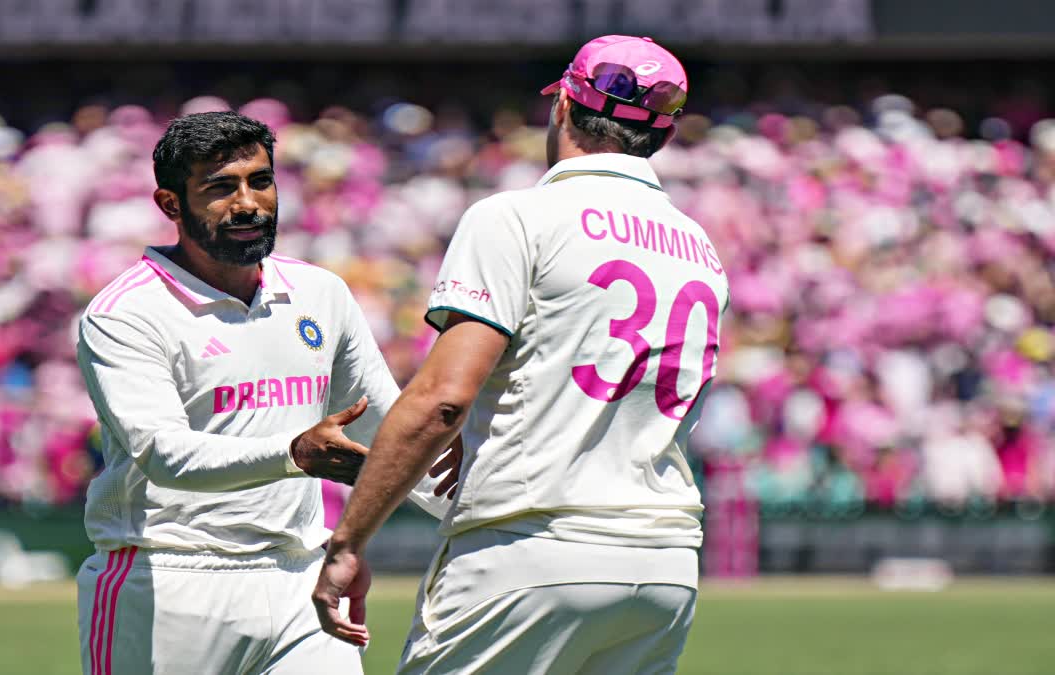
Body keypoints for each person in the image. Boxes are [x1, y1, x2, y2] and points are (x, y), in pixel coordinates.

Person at [314, 35, 729, 674]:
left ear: (563, 105)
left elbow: (442, 399)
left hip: (534, 546)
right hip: (665, 557)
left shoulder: (516, 215)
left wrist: (348, 542)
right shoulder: (699, 245)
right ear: (664, 136)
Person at [75, 111, 457, 675]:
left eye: (260, 181)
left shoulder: (318, 292)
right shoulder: (124, 313)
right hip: (168, 576)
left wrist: (483, 511)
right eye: (220, 188)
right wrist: (294, 454)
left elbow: (390, 424)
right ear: (170, 204)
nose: (248, 203)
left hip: (301, 577)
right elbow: (161, 454)